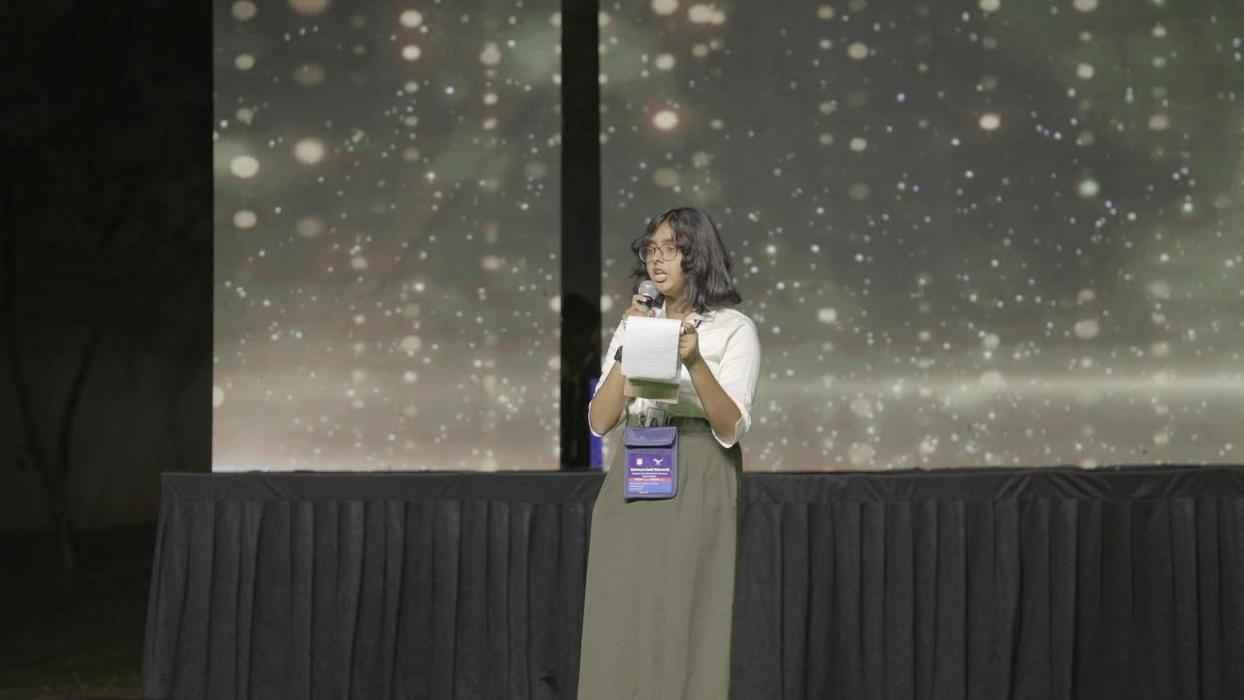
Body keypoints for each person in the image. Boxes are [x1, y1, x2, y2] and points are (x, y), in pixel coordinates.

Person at [578, 207, 762, 699]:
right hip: (636, 466)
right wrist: (627, 345)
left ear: (697, 256)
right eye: (651, 249)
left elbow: (731, 425)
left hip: (698, 465)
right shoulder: (636, 323)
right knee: (619, 610)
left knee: (685, 612)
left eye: (670, 249)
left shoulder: (732, 328)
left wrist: (695, 361)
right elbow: (600, 421)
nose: (657, 260)